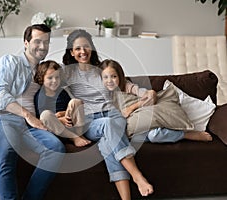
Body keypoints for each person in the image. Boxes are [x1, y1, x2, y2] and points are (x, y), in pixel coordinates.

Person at [62, 29, 153, 200]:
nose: (83, 52)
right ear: (72, 52)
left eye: (86, 47)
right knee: (107, 126)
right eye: (78, 48)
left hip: (112, 115)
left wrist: (145, 93)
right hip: (89, 121)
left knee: (107, 145)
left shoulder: (101, 69)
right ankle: (137, 176)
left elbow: (125, 84)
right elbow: (47, 80)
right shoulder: (67, 73)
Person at [0, 24, 65, 200]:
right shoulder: (10, 61)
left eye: (46, 42)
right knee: (6, 153)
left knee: (56, 148)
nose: (42, 47)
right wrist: (27, 115)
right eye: (37, 41)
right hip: (5, 119)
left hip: (32, 125)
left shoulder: (44, 71)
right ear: (26, 42)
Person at [99, 58, 213, 142]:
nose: (110, 81)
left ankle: (186, 134)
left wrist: (133, 106)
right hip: (129, 131)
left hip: (143, 120)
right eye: (105, 77)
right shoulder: (100, 94)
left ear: (120, 76)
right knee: (148, 136)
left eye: (114, 76)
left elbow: (147, 95)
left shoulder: (128, 87)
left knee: (155, 135)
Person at [34, 60, 91, 147]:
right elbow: (42, 119)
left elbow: (70, 109)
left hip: (69, 123)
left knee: (76, 102)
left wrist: (64, 114)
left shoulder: (62, 92)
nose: (54, 81)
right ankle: (73, 137)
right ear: (41, 78)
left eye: (57, 77)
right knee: (45, 115)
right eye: (50, 78)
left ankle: (80, 134)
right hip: (56, 128)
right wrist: (60, 119)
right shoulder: (40, 96)